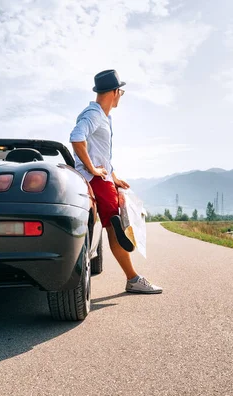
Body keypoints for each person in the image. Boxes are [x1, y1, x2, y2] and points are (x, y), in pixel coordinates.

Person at [69, 69, 162, 294]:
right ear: (114, 92)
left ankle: (132, 276)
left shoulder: (103, 116)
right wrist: (92, 169)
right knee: (114, 228)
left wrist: (113, 176)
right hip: (97, 181)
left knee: (115, 224)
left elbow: (99, 152)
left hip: (105, 179)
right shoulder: (93, 114)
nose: (121, 95)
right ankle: (132, 279)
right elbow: (76, 137)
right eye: (120, 91)